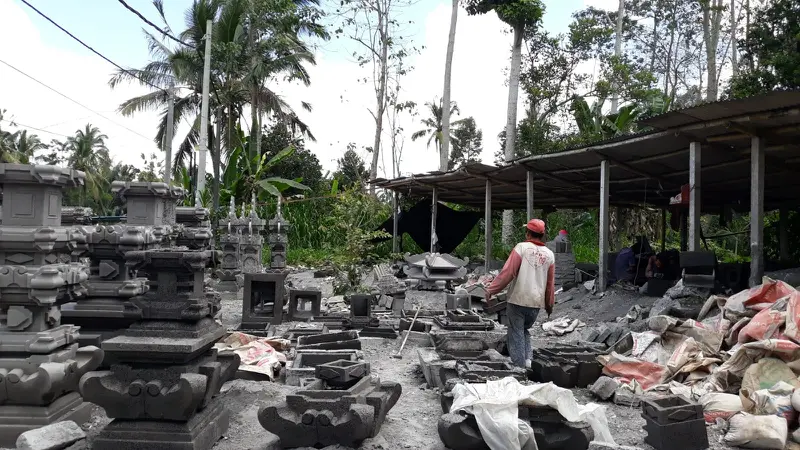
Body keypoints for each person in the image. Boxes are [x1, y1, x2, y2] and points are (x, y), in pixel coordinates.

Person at [485, 219, 555, 368]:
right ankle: (528, 361)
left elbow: (507, 273)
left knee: (515, 332)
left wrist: (491, 289)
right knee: (524, 330)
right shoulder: (549, 255)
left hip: (518, 299)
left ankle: (519, 369)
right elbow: (550, 284)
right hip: (536, 303)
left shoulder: (521, 248)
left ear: (528, 233)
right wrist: (549, 305)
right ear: (542, 235)